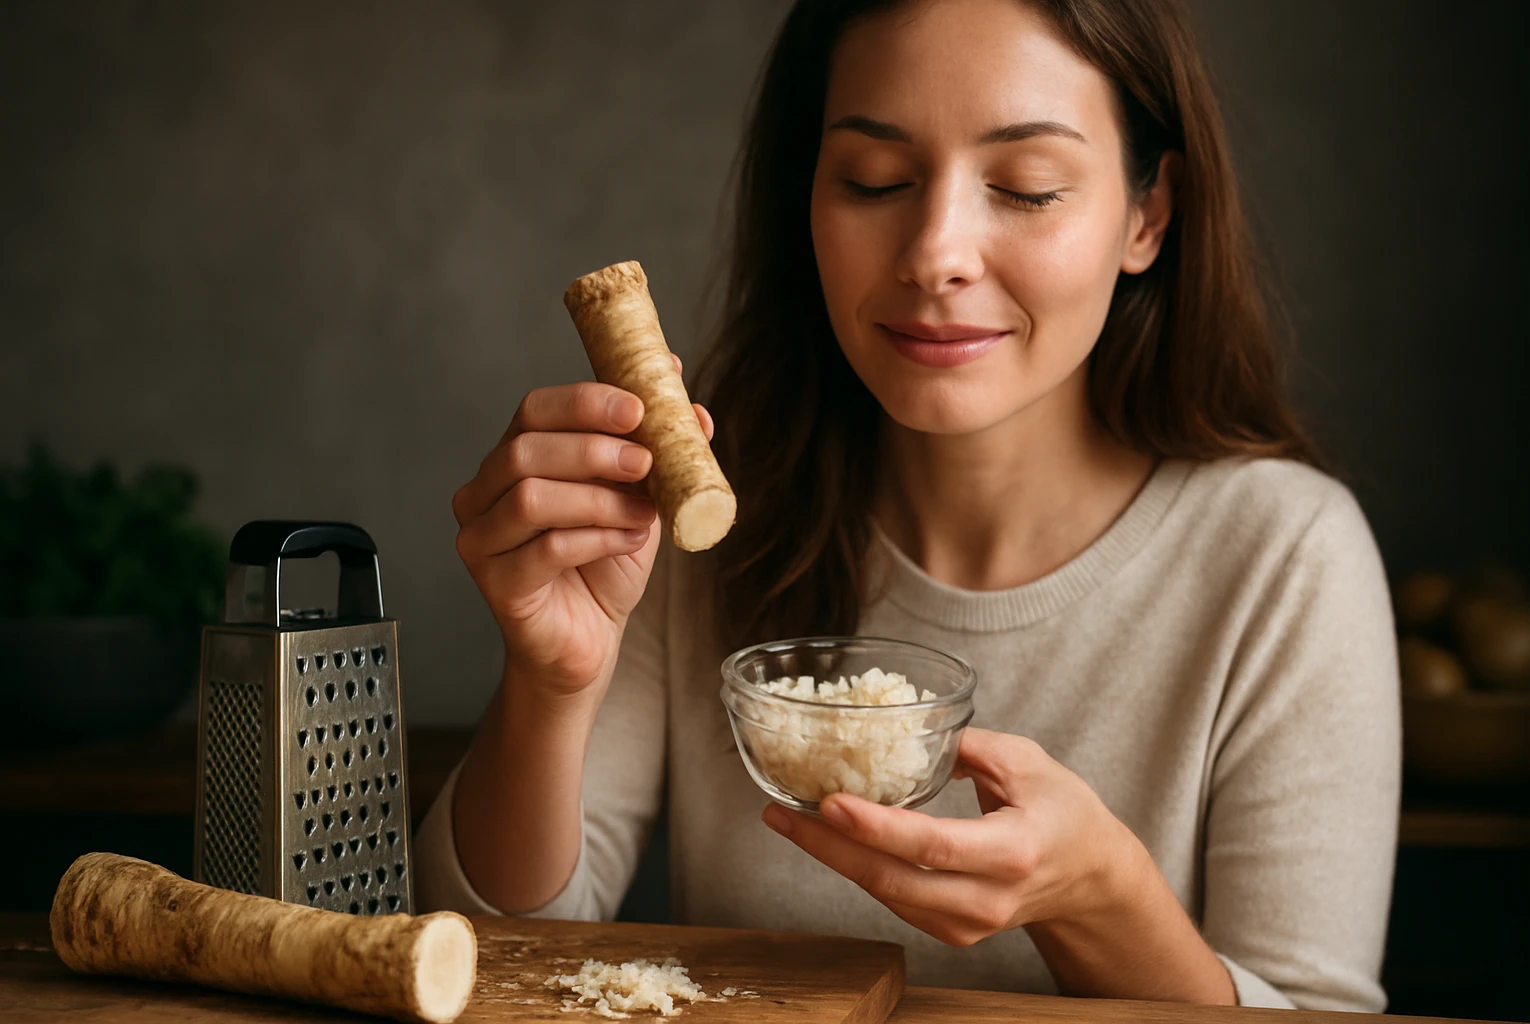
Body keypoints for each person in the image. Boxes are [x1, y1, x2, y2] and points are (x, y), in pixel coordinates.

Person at [416, 0, 1400, 1010]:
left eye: (1026, 187)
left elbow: (1316, 1011)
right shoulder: (694, 516)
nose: (936, 254)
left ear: (1146, 214)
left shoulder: (1285, 559)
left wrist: (1100, 901)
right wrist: (552, 685)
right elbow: (493, 959)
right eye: (873, 180)